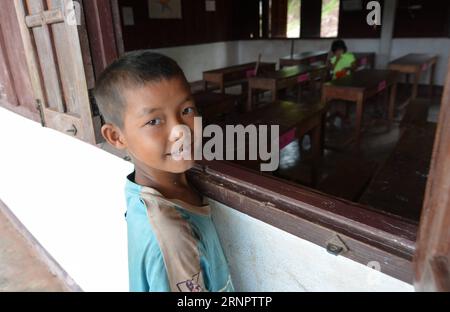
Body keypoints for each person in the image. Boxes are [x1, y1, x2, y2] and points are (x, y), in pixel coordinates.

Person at [94, 50, 234, 292]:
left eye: (187, 111)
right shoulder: (175, 237)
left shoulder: (144, 187)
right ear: (116, 136)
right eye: (154, 121)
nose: (180, 131)